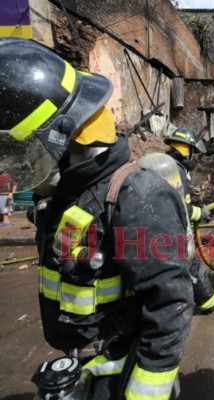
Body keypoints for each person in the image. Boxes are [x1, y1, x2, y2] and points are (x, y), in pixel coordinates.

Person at [0, 38, 193, 399]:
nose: (24, 169)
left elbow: (171, 304)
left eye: (29, 153)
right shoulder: (68, 193)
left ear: (65, 139)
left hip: (120, 372)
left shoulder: (136, 196)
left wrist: (143, 393)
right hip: (81, 365)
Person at [165, 128, 214, 314]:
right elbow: (183, 209)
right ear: (188, 150)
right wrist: (200, 213)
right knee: (191, 262)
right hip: (174, 229)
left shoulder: (166, 165)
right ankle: (209, 301)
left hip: (159, 227)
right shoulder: (177, 170)